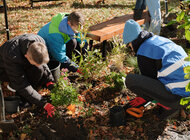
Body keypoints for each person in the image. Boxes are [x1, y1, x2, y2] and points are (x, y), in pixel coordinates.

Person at [122, 19, 190, 119]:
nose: (130, 48)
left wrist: (145, 98)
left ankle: (169, 106)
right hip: (187, 94)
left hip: (177, 99)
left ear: (132, 42)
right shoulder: (159, 40)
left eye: (129, 45)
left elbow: (150, 82)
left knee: (131, 79)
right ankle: (169, 103)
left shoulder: (144, 52)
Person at [0, 34, 56, 118]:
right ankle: (21, 96)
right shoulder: (11, 55)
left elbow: (43, 65)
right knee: (21, 85)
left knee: (39, 69)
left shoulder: (40, 41)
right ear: (26, 56)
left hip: (22, 63)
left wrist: (50, 82)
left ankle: (31, 93)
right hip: (4, 69)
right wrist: (43, 103)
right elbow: (22, 85)